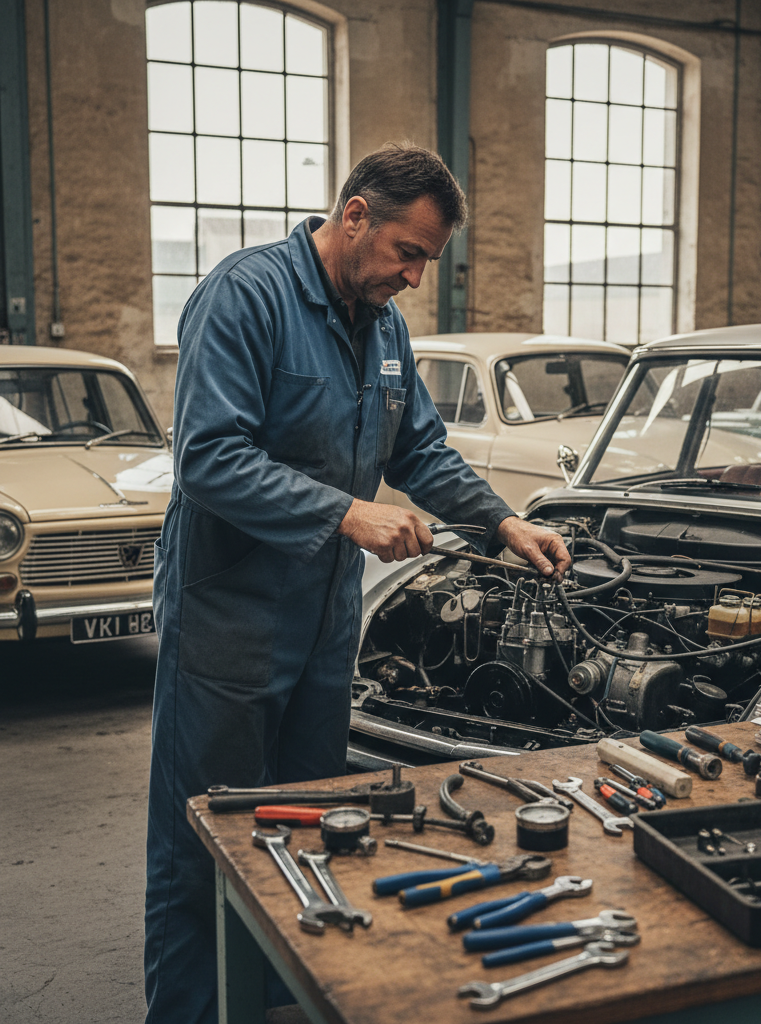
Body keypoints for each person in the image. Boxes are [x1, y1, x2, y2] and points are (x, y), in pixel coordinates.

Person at [144, 144, 571, 1024]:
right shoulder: (246, 295)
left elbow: (417, 449)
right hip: (227, 622)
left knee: (312, 831)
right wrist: (349, 513)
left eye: (426, 261)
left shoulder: (383, 327)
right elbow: (207, 458)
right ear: (354, 217)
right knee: (207, 848)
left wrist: (502, 520)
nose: (414, 277)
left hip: (324, 625)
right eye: (407, 253)